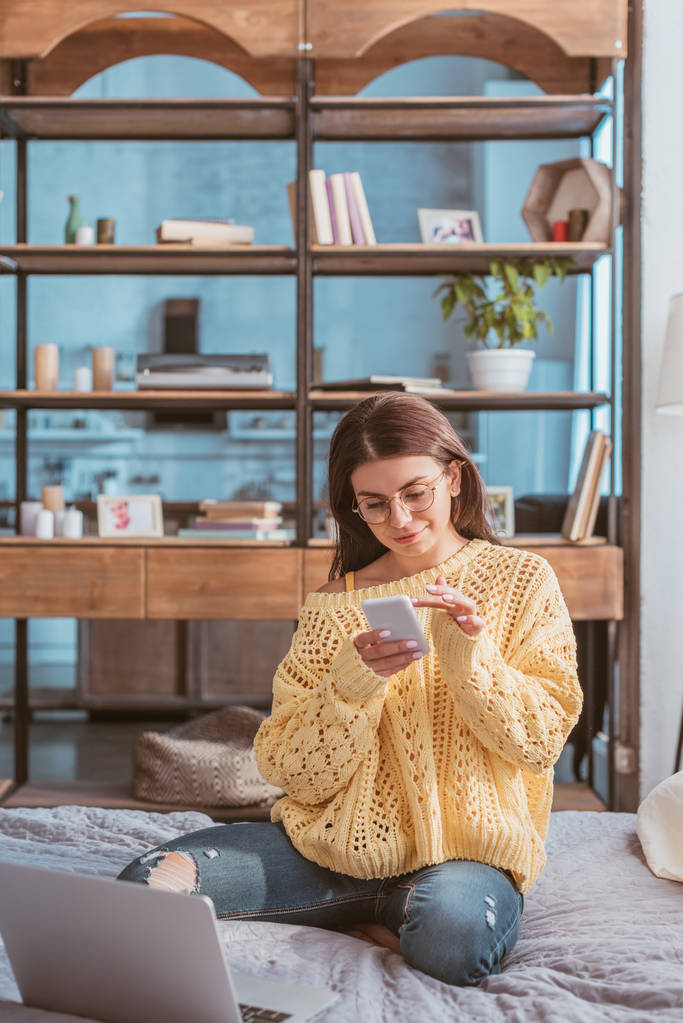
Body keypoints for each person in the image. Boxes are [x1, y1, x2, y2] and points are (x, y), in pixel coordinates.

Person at [118, 392, 582, 987]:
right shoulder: (332, 608)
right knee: (148, 880)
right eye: (375, 504)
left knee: (453, 938)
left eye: (417, 493)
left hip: (463, 860)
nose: (402, 520)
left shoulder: (523, 580)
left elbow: (540, 741)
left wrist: (469, 660)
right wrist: (353, 684)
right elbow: (291, 769)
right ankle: (361, 913)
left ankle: (380, 920)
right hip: (330, 853)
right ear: (354, 508)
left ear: (456, 478)